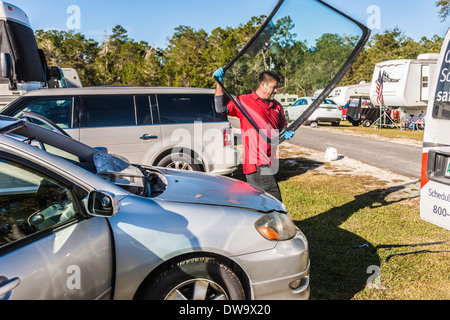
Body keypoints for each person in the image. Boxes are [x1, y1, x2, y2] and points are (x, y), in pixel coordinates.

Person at [213, 67, 295, 201]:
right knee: (274, 201)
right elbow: (220, 108)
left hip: (270, 160)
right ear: (263, 85)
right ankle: (278, 222)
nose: (275, 91)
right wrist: (219, 83)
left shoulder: (277, 106)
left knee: (259, 202)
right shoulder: (244, 101)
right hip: (256, 161)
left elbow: (282, 127)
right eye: (273, 87)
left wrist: (285, 132)